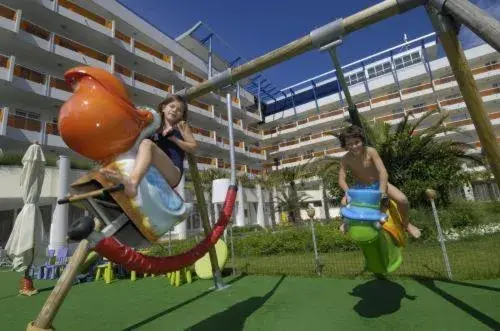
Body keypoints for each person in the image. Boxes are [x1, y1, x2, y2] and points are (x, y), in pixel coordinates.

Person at [100, 94, 197, 197]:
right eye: (172, 106)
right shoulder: (154, 124)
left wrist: (174, 139)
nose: (174, 110)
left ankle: (132, 183)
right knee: (134, 145)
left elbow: (193, 147)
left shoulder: (181, 125)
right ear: (164, 108)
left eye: (179, 110)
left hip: (173, 173)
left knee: (147, 144)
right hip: (153, 169)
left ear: (182, 114)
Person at [337, 125, 421, 239]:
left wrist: (381, 192)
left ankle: (406, 224)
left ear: (362, 140)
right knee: (343, 203)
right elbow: (341, 179)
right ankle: (344, 222)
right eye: (349, 144)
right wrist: (348, 192)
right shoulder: (345, 159)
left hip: (379, 184)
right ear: (345, 145)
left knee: (403, 200)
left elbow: (383, 172)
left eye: (356, 142)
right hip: (360, 187)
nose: (354, 146)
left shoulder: (371, 151)